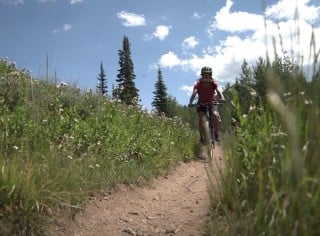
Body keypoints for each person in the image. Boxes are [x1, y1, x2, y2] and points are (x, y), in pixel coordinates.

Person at [188, 66, 225, 142]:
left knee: (215, 115)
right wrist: (190, 102)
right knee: (201, 119)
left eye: (208, 74)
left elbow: (218, 91)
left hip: (212, 103)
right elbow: (194, 93)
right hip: (201, 104)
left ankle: (216, 133)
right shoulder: (198, 84)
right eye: (205, 74)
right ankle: (202, 137)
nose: (206, 76)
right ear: (202, 75)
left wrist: (222, 97)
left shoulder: (213, 83)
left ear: (210, 75)